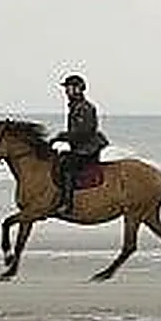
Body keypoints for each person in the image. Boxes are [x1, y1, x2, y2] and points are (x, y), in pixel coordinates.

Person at [51, 74, 108, 217]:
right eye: (66, 88)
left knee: (67, 167)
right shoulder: (75, 106)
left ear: (78, 89)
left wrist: (61, 137)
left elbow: (83, 132)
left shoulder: (85, 108)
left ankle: (68, 205)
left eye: (69, 88)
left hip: (88, 149)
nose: (66, 91)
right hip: (81, 147)